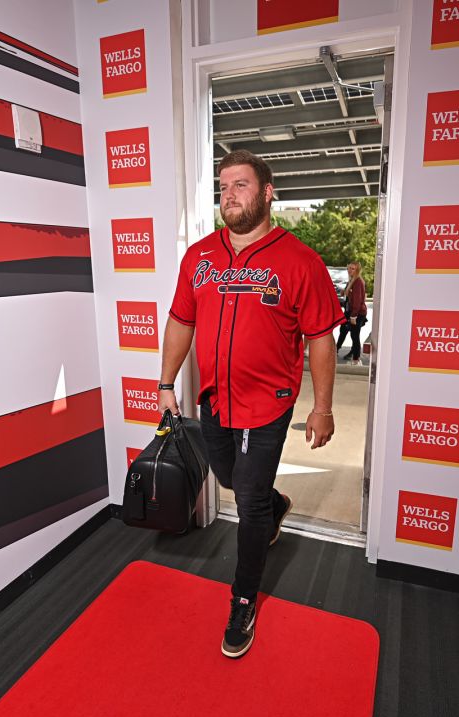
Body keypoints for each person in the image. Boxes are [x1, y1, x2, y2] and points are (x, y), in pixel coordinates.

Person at [157, 149, 344, 659]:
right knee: (229, 479)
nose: (229, 195)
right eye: (223, 186)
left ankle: (242, 600)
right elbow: (181, 321)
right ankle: (275, 505)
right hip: (215, 399)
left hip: (271, 402)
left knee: (247, 500)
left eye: (241, 185)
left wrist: (322, 406)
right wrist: (165, 383)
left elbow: (321, 339)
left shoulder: (300, 261)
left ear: (267, 193)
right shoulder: (199, 257)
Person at [336, 262, 368, 365]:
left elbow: (358, 301)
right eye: (349, 268)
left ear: (357, 270)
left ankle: (356, 359)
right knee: (343, 330)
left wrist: (353, 316)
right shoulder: (352, 280)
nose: (350, 270)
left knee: (354, 335)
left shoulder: (358, 281)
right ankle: (336, 350)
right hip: (349, 311)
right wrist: (343, 291)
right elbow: (349, 294)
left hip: (357, 313)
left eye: (353, 269)